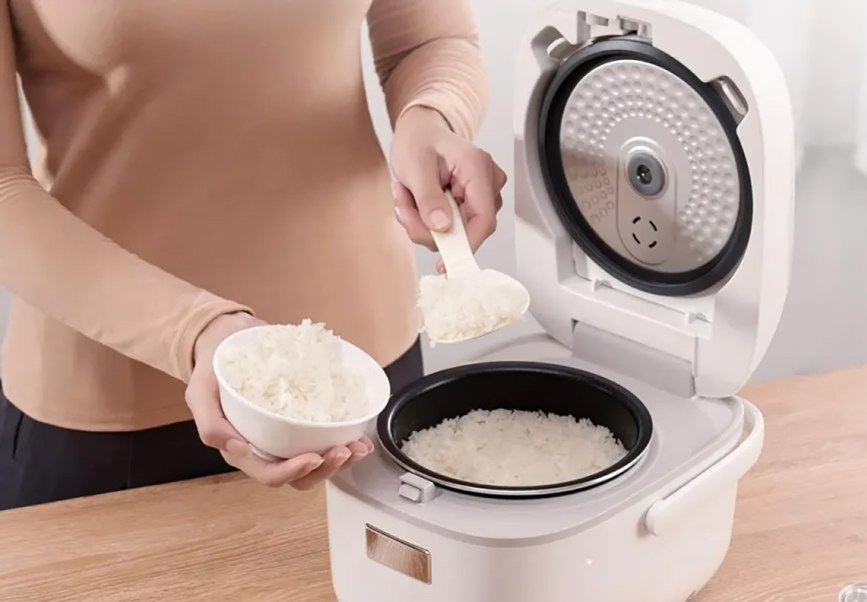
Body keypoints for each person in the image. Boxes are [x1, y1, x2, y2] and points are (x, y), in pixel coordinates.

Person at [0, 1, 506, 510]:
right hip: (111, 404)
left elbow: (429, 41)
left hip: (358, 378)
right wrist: (193, 330)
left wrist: (432, 117)